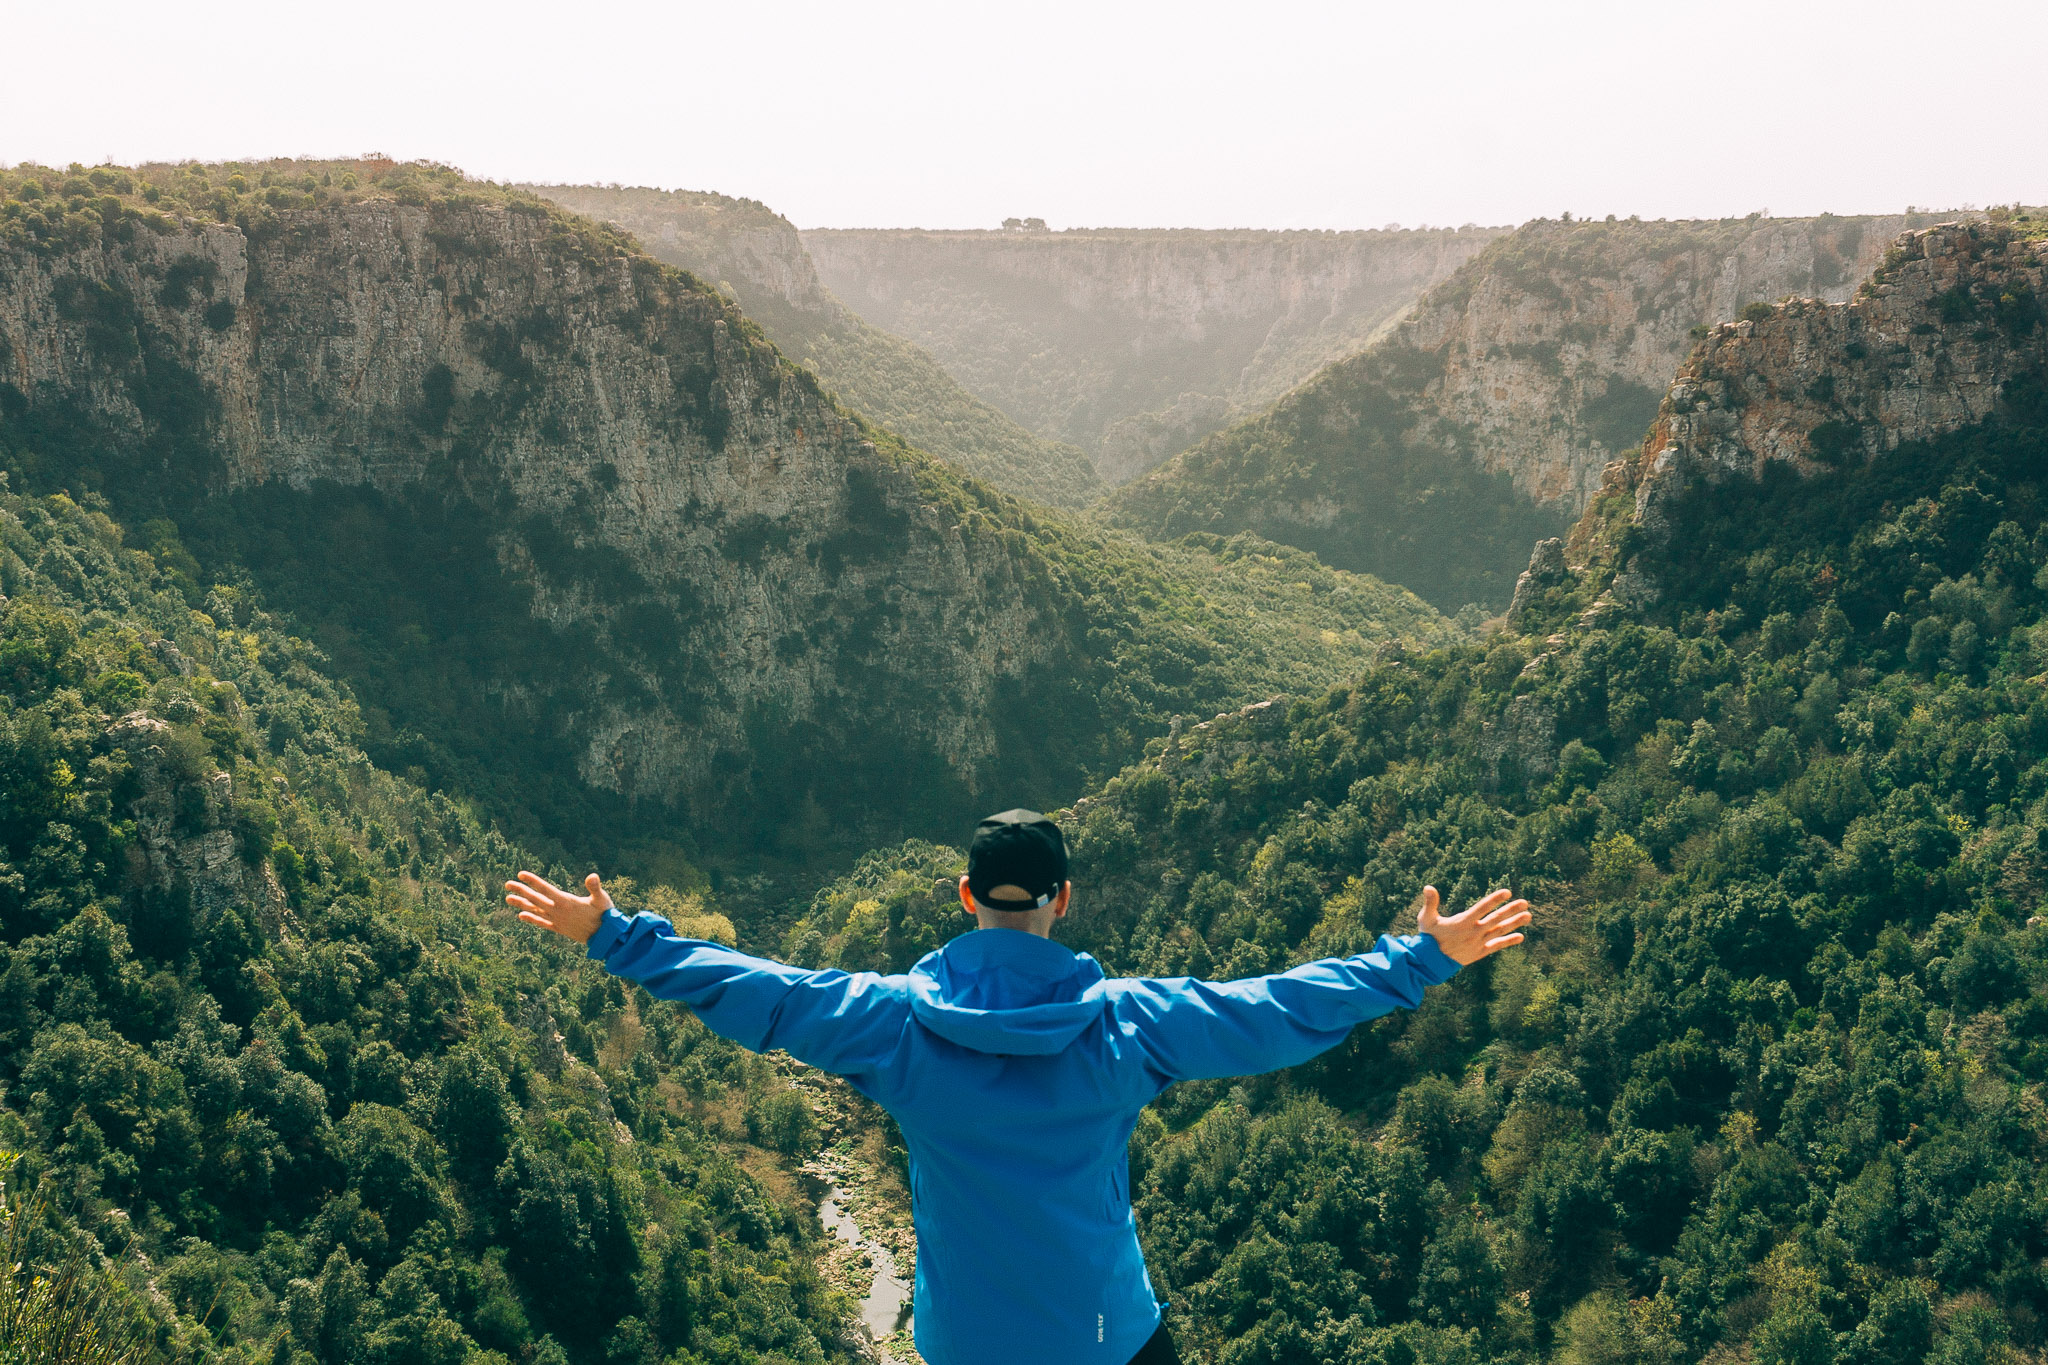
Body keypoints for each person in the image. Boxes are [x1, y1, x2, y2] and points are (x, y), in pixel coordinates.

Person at [505, 809, 1530, 1365]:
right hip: (1105, 1335)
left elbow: (762, 995)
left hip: (967, 1345)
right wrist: (1416, 961)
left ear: (963, 897)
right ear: (1063, 900)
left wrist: (612, 937)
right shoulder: (1129, 1028)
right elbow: (1277, 1012)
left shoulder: (891, 1025)